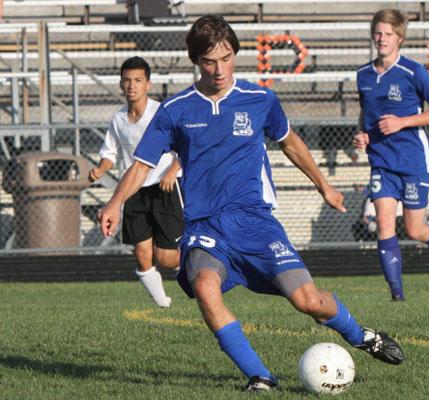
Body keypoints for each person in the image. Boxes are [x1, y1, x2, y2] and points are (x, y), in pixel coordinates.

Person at [98, 15, 403, 392]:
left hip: (256, 223)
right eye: (210, 61)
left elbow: (289, 141)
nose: (220, 69)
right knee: (206, 289)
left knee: (309, 301)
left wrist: (324, 184)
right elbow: (142, 164)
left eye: (226, 58)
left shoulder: (260, 100)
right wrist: (114, 203)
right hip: (205, 227)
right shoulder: (175, 110)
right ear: (196, 60)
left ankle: (362, 336)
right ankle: (260, 377)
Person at [353, 9, 429, 301]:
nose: (382, 39)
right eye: (378, 33)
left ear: (400, 38)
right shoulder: (363, 75)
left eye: (388, 34)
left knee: (415, 229)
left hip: (412, 161)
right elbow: (365, 114)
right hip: (381, 161)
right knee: (384, 223)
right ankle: (398, 297)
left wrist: (402, 122)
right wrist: (362, 135)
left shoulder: (412, 72)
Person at [89, 57, 184, 308]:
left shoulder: (161, 113)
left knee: (167, 257)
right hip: (133, 190)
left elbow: (184, 147)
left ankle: (200, 260)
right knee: (142, 255)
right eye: (127, 81)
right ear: (121, 84)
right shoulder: (118, 119)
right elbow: (109, 152)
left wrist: (172, 171)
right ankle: (162, 304)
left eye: (138, 80)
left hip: (163, 187)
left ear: (148, 84)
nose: (132, 86)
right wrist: (100, 169)